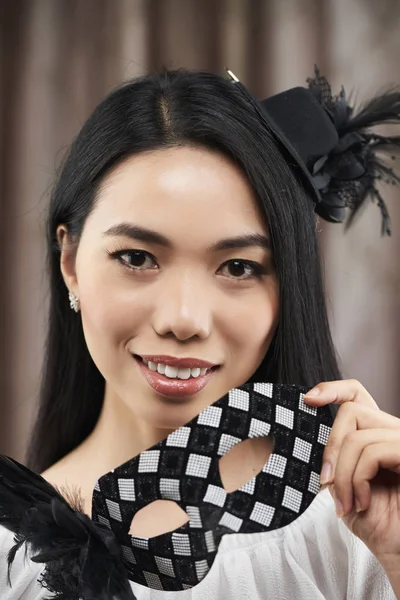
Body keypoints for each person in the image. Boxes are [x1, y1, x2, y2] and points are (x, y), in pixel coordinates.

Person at [1, 66, 400, 600]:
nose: (184, 318)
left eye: (238, 267)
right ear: (70, 261)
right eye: (137, 257)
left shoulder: (361, 539)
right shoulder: (11, 562)